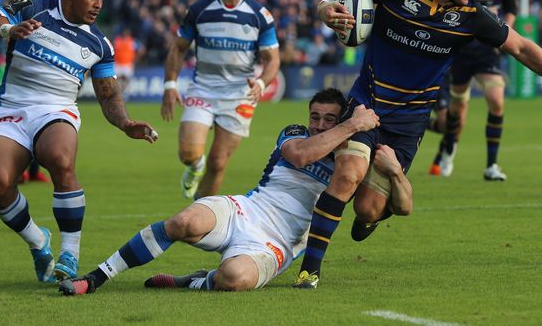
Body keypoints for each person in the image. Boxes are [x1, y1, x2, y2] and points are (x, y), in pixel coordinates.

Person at [293, 0, 542, 289]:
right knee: (348, 174)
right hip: (366, 102)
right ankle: (310, 270)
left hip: (409, 121)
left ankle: (371, 215)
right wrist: (326, 5)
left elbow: (522, 47)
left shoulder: (473, 17)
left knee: (368, 209)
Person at [57, 88, 409, 295]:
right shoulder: (295, 133)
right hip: (247, 209)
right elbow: (301, 156)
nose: (318, 124)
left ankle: (196, 281)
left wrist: (395, 172)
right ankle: (97, 276)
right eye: (315, 116)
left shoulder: (353, 163)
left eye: (328, 119)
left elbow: (403, 207)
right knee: (183, 221)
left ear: (339, 120)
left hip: (277, 244)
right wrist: (351, 125)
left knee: (234, 279)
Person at [0, 0, 158, 283]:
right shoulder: (30, 9)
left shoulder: (100, 44)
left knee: (60, 157)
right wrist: (7, 29)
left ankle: (70, 253)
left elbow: (109, 95)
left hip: (57, 110)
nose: (99, 4)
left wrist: (125, 123)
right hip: (12, 108)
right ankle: (38, 242)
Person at [161, 0, 281, 200]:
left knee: (218, 162)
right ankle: (195, 168)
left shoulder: (260, 15)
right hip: (204, 88)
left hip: (240, 94)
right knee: (188, 153)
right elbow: (178, 48)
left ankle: (199, 214)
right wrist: (170, 84)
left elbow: (272, 59)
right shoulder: (199, 10)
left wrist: (261, 81)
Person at [429, 0, 517, 181]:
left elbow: (511, 10)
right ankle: (448, 151)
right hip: (463, 51)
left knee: (496, 101)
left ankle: (492, 165)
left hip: (488, 51)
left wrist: (505, 31)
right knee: (456, 115)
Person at [20, 0, 65, 184]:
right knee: (25, 126)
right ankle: (19, 169)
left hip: (53, 85)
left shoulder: (68, 20)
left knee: (45, 128)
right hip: (27, 80)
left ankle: (34, 170)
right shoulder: (33, 12)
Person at [113, 28, 144, 98]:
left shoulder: (132, 41)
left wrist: (136, 59)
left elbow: (142, 49)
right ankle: (118, 93)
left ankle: (123, 93)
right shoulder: (118, 40)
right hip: (117, 63)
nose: (126, 35)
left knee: (126, 79)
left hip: (128, 64)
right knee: (116, 79)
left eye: (127, 34)